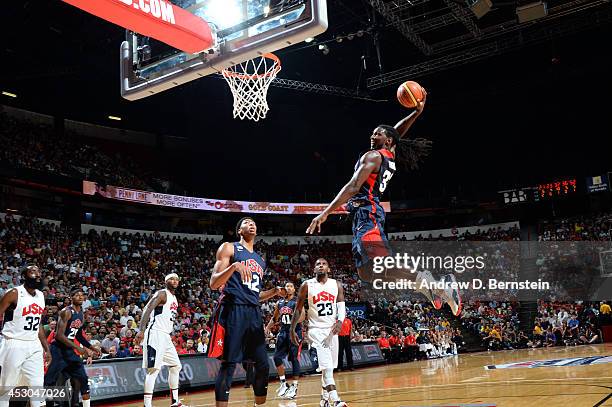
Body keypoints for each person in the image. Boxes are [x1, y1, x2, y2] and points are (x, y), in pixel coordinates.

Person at [305, 94, 461, 317]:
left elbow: (353, 185)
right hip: (365, 214)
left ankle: (439, 282)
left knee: (379, 265)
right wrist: (416, 113)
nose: (372, 135)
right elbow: (397, 132)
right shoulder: (389, 153)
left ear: (387, 141)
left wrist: (325, 212)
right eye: (373, 132)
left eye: (378, 133)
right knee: (367, 273)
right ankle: (424, 284)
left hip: (367, 213)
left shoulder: (374, 156)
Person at [208, 217, 286, 407]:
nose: (251, 224)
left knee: (263, 365)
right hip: (233, 308)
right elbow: (214, 283)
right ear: (239, 231)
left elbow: (255, 295)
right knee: (229, 364)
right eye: (246, 222)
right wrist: (234, 266)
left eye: (253, 223)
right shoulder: (229, 248)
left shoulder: (260, 260)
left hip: (253, 312)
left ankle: (259, 405)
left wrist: (274, 292)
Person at [290, 258, 348, 407]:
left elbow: (341, 307)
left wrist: (340, 322)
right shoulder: (306, 285)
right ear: (314, 269)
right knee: (327, 368)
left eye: (324, 264)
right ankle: (336, 401)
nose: (321, 266)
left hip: (332, 331)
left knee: (328, 368)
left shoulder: (337, 285)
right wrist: (292, 329)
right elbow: (298, 309)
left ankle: (324, 400)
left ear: (328, 269)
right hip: (316, 330)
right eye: (317, 264)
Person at [0, 265, 51, 407]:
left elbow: (38, 323)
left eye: (38, 271)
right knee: (6, 388)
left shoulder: (41, 295)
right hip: (13, 343)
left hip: (33, 343)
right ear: (24, 276)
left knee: (37, 385)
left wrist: (46, 349)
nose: (37, 274)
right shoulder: (14, 293)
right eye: (32, 272)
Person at [134, 273, 185, 407]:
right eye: (171, 279)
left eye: (177, 279)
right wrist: (141, 329)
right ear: (166, 281)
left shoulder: (174, 298)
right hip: (155, 333)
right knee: (153, 370)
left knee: (176, 366)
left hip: (165, 336)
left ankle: (175, 402)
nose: (175, 281)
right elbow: (148, 308)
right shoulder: (162, 293)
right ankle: (147, 405)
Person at [44, 289, 100, 407]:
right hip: (58, 350)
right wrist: (78, 349)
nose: (80, 297)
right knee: (49, 382)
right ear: (71, 297)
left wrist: (91, 347)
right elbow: (59, 335)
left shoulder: (81, 313)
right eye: (76, 295)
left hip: (69, 351)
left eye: (82, 295)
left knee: (83, 378)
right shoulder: (66, 311)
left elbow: (78, 335)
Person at [265, 282, 305, 399]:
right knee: (277, 357)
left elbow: (302, 316)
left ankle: (294, 386)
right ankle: (283, 383)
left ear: (294, 290)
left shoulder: (297, 301)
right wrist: (267, 327)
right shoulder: (280, 303)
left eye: (291, 286)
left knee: (294, 359)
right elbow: (275, 318)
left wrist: (294, 322)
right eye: (286, 286)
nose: (288, 288)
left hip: (295, 332)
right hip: (283, 333)